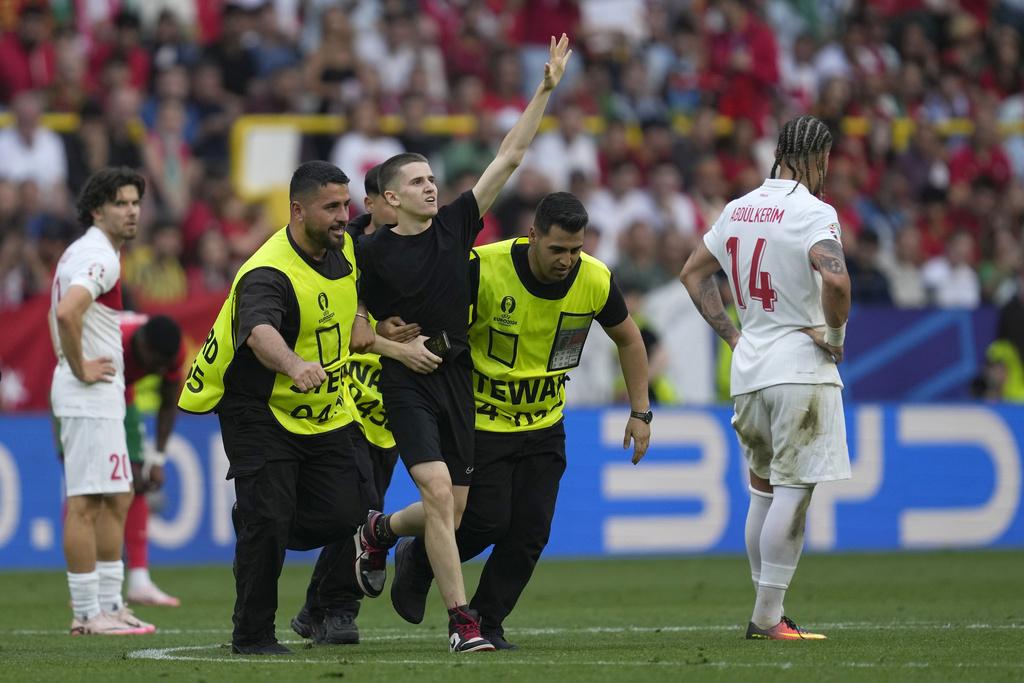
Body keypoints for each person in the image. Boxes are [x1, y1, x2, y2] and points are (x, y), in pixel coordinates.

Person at [353, 34, 573, 653]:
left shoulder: (455, 225)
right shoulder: (367, 254)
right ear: (391, 198)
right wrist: (396, 350)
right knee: (438, 491)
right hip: (406, 381)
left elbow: (510, 156)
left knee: (453, 509)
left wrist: (544, 89)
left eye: (432, 178)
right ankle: (462, 621)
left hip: (457, 375)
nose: (431, 186)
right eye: (417, 181)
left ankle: (378, 531)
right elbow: (353, 331)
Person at [387, 191, 652, 649]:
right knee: (484, 522)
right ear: (532, 235)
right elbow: (429, 321)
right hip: (481, 422)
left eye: (576, 250)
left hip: (544, 424)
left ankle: (488, 621)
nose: (567, 260)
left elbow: (629, 338)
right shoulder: (483, 268)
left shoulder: (595, 279)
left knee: (531, 531)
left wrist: (640, 411)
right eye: (557, 249)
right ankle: (417, 560)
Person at [177, 161, 379, 655]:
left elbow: (365, 258)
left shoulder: (343, 243)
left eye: (346, 205)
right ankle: (252, 636)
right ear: (297, 211)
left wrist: (360, 315)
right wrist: (293, 365)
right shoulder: (268, 271)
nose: (343, 216)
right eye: (331, 207)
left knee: (352, 511)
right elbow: (259, 330)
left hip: (320, 409)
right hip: (257, 407)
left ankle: (257, 518)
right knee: (268, 522)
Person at [679, 115, 851, 641]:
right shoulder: (815, 211)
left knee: (763, 493)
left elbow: (692, 272)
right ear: (819, 159)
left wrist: (734, 337)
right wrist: (836, 337)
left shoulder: (737, 208)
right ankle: (768, 617)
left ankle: (767, 610)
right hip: (800, 370)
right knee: (794, 494)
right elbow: (836, 281)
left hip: (750, 368)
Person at [289, 164, 423, 645]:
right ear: (374, 204)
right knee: (358, 510)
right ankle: (339, 609)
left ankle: (315, 609)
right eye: (393, 197)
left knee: (362, 513)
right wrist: (382, 336)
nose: (404, 205)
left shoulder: (423, 250)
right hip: (343, 400)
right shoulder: (341, 250)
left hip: (388, 407)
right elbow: (342, 326)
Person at [49, 166, 155, 636]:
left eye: (135, 203)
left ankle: (111, 604)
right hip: (87, 394)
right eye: (120, 204)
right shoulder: (99, 256)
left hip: (99, 395)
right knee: (86, 503)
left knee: (118, 495)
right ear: (97, 210)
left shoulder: (88, 251)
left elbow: (62, 313)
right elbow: (66, 312)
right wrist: (79, 367)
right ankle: (88, 612)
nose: (132, 212)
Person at [120, 312, 185, 607]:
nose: (158, 369)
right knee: (87, 487)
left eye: (163, 364)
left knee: (137, 481)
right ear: (141, 343)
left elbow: (168, 402)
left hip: (123, 395)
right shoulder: (114, 342)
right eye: (155, 361)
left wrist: (156, 458)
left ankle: (139, 582)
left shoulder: (171, 352)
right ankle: (87, 586)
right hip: (78, 393)